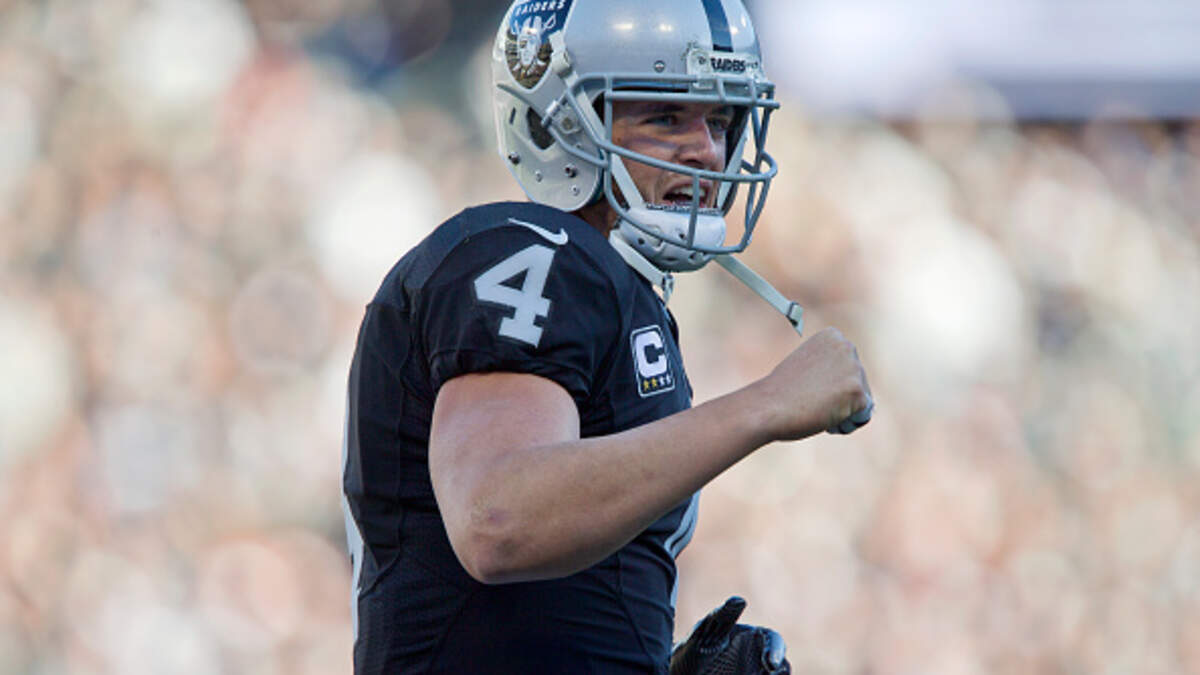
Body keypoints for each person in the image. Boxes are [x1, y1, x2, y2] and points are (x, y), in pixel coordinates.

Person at [340, 0, 873, 672]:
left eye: (719, 120)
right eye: (665, 117)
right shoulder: (536, 252)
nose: (706, 149)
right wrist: (764, 405)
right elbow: (498, 520)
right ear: (558, 123)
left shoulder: (608, 285)